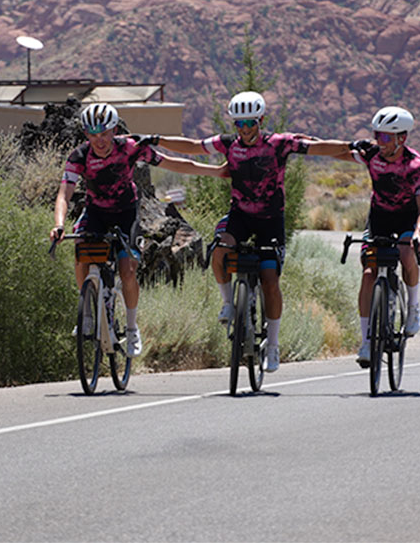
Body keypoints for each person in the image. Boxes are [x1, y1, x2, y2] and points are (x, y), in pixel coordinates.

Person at [138, 91, 347, 372]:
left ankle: (272, 346)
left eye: (250, 122)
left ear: (261, 120)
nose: (245, 129)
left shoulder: (279, 143)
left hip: (271, 220)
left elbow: (320, 149)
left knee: (270, 278)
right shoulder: (228, 144)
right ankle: (227, 303)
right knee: (219, 250)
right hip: (240, 216)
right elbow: (193, 146)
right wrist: (156, 140)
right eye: (239, 124)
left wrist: (353, 146)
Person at [50, 103, 229, 358]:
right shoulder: (79, 156)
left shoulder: (130, 148)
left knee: (127, 268)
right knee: (81, 251)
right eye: (92, 134)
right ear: (86, 134)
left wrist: (215, 171)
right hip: (96, 212)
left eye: (104, 133)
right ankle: (87, 313)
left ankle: (132, 328)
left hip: (126, 213)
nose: (99, 140)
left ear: (114, 130)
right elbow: (64, 194)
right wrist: (58, 224)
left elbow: (172, 163)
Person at [336, 106, 420, 367]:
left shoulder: (415, 164)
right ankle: (366, 340)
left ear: (402, 138)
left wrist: (419, 233)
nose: (380, 141)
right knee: (368, 273)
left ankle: (413, 309)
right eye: (378, 135)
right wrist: (304, 144)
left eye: (386, 137)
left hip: (406, 219)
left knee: (406, 252)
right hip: (379, 218)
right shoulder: (372, 155)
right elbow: (340, 153)